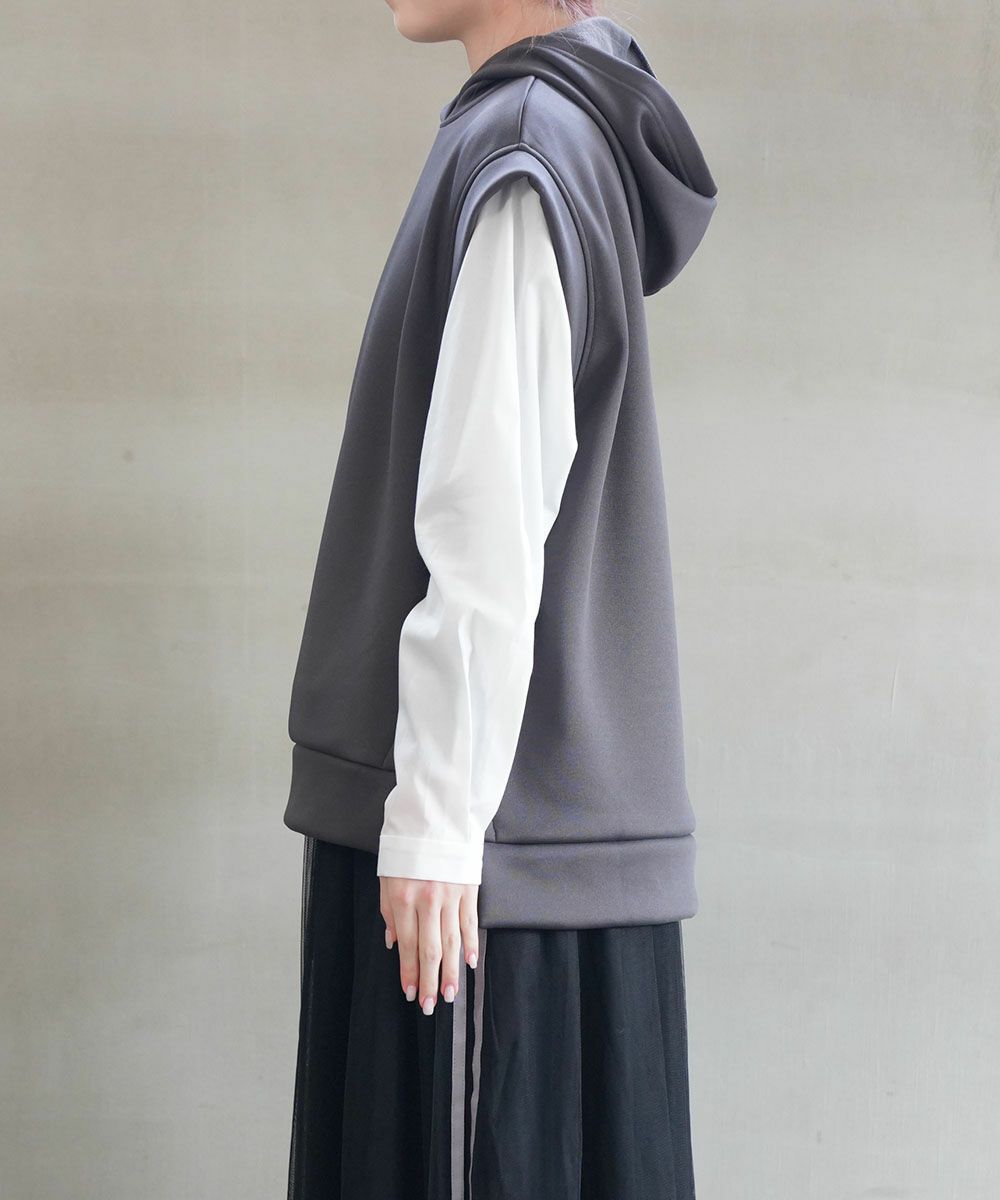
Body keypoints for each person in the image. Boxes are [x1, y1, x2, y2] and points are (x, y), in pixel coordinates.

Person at [283, 4, 718, 1198]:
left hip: (483, 859)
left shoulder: (528, 144)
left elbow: (487, 510)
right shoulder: (537, 131)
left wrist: (434, 818)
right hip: (510, 843)